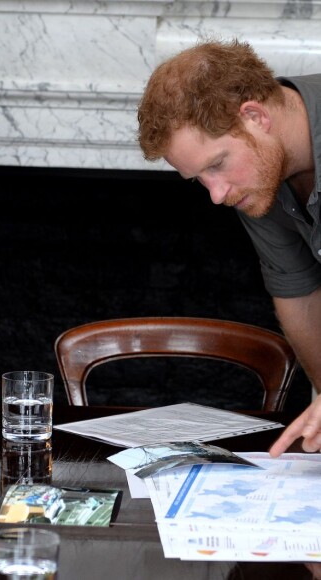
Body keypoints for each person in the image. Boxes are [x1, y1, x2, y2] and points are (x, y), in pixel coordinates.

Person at [137, 38, 321, 457]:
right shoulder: (260, 174)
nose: (216, 195)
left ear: (255, 116)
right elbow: (298, 291)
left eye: (217, 165)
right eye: (200, 178)